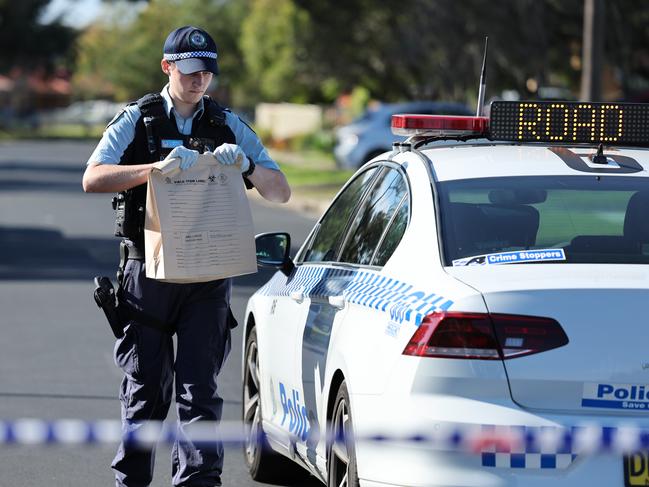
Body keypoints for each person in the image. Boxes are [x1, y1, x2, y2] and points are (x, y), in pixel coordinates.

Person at [82, 25, 290, 487]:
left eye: (208, 73)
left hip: (208, 277)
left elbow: (280, 191)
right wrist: (151, 170)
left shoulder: (225, 123)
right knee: (145, 395)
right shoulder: (139, 119)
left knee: (201, 395)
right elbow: (92, 177)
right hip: (147, 276)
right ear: (168, 67)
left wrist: (249, 166)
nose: (200, 81)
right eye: (192, 71)